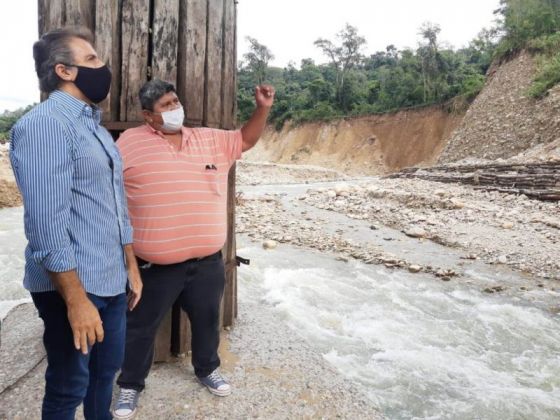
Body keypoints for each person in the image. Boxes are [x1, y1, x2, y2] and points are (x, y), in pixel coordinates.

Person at [113, 78, 274, 418]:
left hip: (207, 263)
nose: (175, 109)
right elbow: (109, 194)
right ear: (147, 116)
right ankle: (130, 386)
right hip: (152, 267)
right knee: (140, 327)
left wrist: (263, 108)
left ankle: (207, 370)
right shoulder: (128, 143)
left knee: (206, 320)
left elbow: (246, 138)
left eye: (175, 102)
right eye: (166, 106)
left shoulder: (209, 139)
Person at [9, 27, 142, 420]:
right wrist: (76, 300)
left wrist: (130, 266)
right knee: (69, 386)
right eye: (92, 60)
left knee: (105, 376)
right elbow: (46, 225)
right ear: (65, 71)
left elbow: (115, 206)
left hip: (111, 278)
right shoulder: (46, 126)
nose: (103, 67)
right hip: (74, 286)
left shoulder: (93, 127)